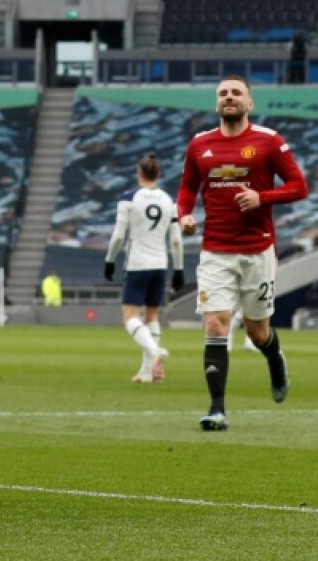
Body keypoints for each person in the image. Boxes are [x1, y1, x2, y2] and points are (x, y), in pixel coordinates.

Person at [177, 75, 308, 431]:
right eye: (223, 93)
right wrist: (184, 215)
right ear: (216, 102)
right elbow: (188, 188)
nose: (229, 97)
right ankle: (217, 409)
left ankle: (275, 359)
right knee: (216, 322)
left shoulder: (269, 142)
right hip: (215, 251)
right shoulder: (200, 145)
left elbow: (300, 186)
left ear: (250, 103)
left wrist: (261, 198)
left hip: (257, 250)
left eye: (236, 93)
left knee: (257, 331)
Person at [103, 151, 185, 383]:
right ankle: (148, 372)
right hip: (160, 265)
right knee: (152, 316)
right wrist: (179, 269)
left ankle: (155, 351)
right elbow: (176, 240)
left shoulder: (129, 199)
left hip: (138, 263)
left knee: (130, 317)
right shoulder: (170, 201)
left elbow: (119, 236)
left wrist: (110, 260)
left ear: (139, 173)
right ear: (158, 174)